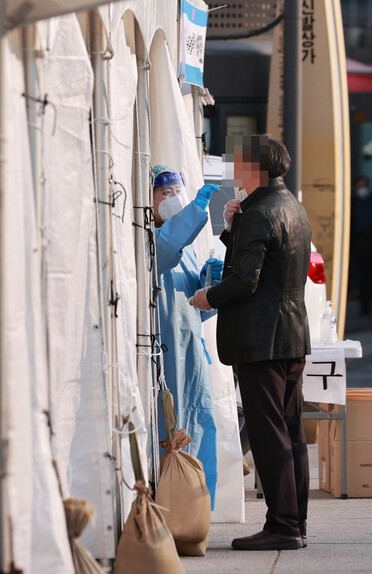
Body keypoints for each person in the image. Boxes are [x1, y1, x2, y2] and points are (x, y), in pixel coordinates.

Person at [189, 134, 311, 551]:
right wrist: (232, 225)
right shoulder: (290, 206)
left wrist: (208, 296)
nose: (233, 172)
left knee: (268, 433)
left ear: (256, 169)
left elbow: (244, 279)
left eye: (239, 165)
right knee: (291, 430)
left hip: (263, 339)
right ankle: (295, 523)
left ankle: (282, 525)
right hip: (292, 336)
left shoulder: (260, 212)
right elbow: (265, 261)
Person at [151, 164, 222, 508]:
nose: (173, 198)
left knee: (199, 427)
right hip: (166, 356)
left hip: (191, 353)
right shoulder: (148, 241)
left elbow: (197, 306)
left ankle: (198, 511)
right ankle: (171, 509)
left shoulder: (188, 247)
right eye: (164, 192)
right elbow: (166, 246)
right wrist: (195, 210)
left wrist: (211, 286)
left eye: (177, 191)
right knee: (169, 433)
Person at [352, 176, 372, 316]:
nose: (363, 189)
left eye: (364, 186)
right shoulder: (353, 203)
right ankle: (365, 308)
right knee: (363, 277)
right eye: (360, 186)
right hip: (360, 245)